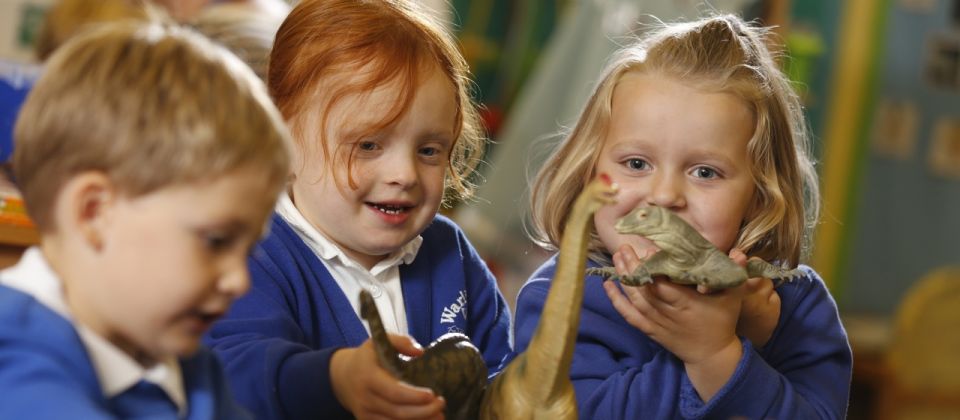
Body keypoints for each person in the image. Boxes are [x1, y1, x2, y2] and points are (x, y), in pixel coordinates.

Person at [518, 14, 852, 419]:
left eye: (705, 172)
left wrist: (720, 355)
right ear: (588, 170)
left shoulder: (795, 303)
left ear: (760, 196)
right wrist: (713, 348)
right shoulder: (560, 297)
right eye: (637, 163)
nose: (664, 196)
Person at [203, 0, 513, 419]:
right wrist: (334, 378)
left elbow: (500, 374)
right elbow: (237, 371)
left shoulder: (449, 251)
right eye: (368, 145)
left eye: (428, 150)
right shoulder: (252, 254)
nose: (404, 174)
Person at [0, 21, 292, 419]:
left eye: (250, 249)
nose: (239, 281)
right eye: (216, 241)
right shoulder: (15, 359)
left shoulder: (183, 363)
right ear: (94, 212)